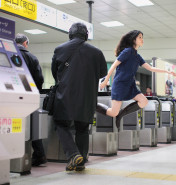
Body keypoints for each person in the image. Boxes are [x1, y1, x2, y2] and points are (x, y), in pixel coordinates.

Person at [51, 23, 107, 172]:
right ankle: (80, 162)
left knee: (61, 124)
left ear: (70, 34)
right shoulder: (97, 52)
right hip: (87, 96)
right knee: (82, 128)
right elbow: (102, 74)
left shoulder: (60, 49)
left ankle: (73, 154)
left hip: (66, 95)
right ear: (86, 35)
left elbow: (54, 72)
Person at [97, 30, 176, 128]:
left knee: (144, 101)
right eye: (140, 37)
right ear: (133, 39)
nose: (142, 40)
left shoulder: (137, 56)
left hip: (130, 85)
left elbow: (150, 68)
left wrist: (167, 72)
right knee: (113, 113)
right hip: (120, 84)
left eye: (142, 37)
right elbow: (114, 65)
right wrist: (106, 80)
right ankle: (93, 105)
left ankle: (121, 114)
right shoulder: (127, 51)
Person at [15, 33, 46, 166]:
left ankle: (14, 156)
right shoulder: (32, 57)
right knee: (32, 125)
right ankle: (39, 155)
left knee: (14, 125)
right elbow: (40, 79)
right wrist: (35, 91)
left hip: (13, 95)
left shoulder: (10, 54)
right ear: (26, 43)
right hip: (29, 96)